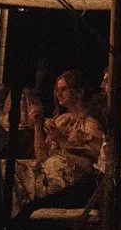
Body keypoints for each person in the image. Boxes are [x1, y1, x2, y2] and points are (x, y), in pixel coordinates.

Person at [27, 68, 104, 202]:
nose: (58, 94)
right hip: (46, 172)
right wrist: (38, 126)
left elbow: (91, 168)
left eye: (63, 89)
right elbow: (42, 157)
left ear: (79, 92)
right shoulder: (61, 120)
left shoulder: (91, 124)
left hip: (67, 184)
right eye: (57, 90)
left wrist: (61, 140)